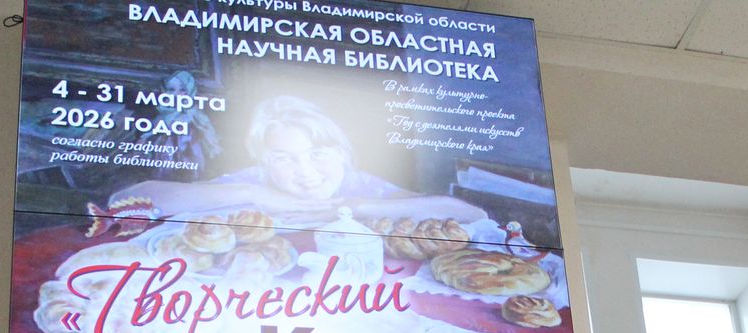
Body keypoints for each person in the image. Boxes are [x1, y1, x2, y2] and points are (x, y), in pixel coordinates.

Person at [119, 93, 483, 225]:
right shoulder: (255, 182)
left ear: (342, 154)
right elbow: (126, 200)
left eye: (317, 154)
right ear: (265, 163)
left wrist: (355, 207)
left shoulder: (357, 184)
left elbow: (472, 215)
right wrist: (254, 195)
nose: (305, 171)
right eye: (283, 159)